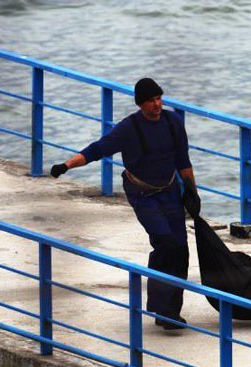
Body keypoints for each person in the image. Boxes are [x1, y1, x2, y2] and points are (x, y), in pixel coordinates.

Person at [50, 78, 196, 330]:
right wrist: (66, 165)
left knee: (181, 248)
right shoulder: (128, 128)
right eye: (151, 100)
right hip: (142, 193)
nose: (157, 104)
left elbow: (183, 159)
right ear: (140, 104)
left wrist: (192, 191)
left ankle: (171, 312)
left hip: (170, 190)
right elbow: (97, 149)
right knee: (164, 240)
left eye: (159, 98)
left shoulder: (173, 122)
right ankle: (161, 309)